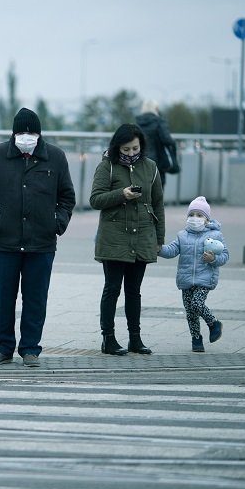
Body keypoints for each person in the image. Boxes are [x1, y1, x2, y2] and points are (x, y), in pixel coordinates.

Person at [0, 107, 76, 368]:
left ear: (39, 134)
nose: (26, 137)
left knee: (35, 298)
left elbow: (67, 197)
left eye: (31, 132)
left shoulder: (55, 157)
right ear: (13, 134)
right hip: (3, 242)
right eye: (21, 132)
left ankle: (31, 348)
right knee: (3, 297)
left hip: (41, 243)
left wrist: (57, 222)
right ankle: (2, 347)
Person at [90, 123, 165, 356]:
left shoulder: (151, 167)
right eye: (126, 150)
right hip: (114, 238)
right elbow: (95, 199)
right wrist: (121, 194)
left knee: (134, 290)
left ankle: (135, 338)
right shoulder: (107, 167)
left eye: (135, 148)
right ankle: (108, 338)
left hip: (142, 236)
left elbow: (158, 204)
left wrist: (159, 238)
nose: (131, 154)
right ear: (117, 148)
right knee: (112, 289)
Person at [159, 196, 228, 352]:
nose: (194, 218)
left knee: (197, 303)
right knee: (190, 312)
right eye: (191, 215)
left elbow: (225, 256)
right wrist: (158, 249)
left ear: (206, 219)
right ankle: (196, 338)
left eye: (199, 215)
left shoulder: (215, 235)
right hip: (186, 279)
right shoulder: (182, 235)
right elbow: (171, 250)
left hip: (205, 279)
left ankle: (214, 323)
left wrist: (213, 259)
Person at [135, 99, 180, 186]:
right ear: (156, 108)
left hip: (141, 160)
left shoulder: (138, 123)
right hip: (159, 161)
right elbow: (167, 140)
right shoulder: (159, 122)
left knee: (143, 187)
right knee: (158, 188)